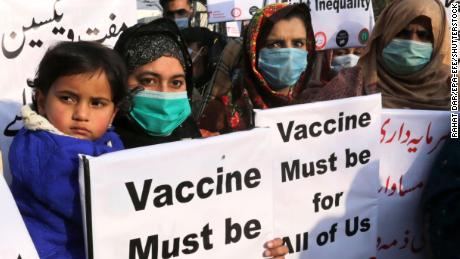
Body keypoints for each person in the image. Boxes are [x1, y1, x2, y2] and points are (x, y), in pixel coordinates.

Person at [113, 18, 288, 258]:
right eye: (148, 81)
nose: (165, 94)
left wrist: (262, 249)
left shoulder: (206, 155)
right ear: (120, 85)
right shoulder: (98, 156)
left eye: (176, 82)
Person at [8, 41, 129, 258]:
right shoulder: (47, 150)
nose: (81, 114)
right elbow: (107, 208)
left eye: (97, 103)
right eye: (67, 98)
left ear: (113, 113)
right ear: (42, 102)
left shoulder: (106, 140)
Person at [301, 0, 451, 110]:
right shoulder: (351, 84)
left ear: (439, 43)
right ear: (384, 34)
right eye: (402, 33)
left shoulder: (453, 91)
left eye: (423, 35)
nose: (412, 43)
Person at [199, 3, 317, 133]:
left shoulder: (320, 101)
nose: (289, 54)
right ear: (253, 50)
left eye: (298, 43)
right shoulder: (219, 116)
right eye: (275, 44)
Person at [180, 26, 227, 114]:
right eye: (180, 45)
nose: (181, 49)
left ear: (203, 50)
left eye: (187, 45)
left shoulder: (216, 82)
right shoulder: (176, 79)